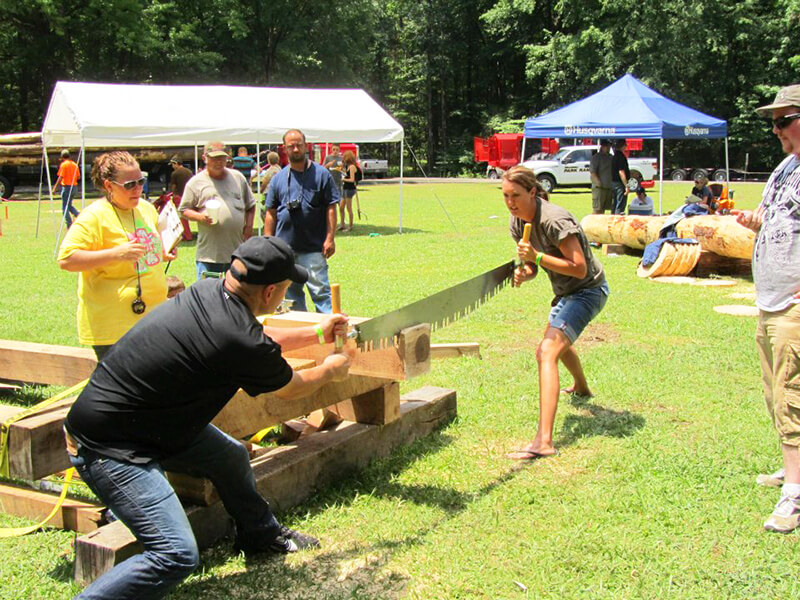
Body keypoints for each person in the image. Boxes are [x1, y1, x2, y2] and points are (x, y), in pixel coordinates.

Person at [64, 236, 352, 599]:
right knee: (176, 554)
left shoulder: (208, 291)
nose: (283, 294)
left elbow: (257, 334)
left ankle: (260, 536)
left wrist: (315, 332)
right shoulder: (236, 337)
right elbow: (291, 386)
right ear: (268, 293)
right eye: (283, 288)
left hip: (150, 425)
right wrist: (330, 370)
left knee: (230, 455)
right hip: (108, 446)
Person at [502, 165, 609, 459]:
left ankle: (544, 442)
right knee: (557, 345)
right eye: (506, 196)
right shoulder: (517, 222)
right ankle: (582, 388)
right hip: (566, 293)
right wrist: (526, 271)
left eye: (516, 195)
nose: (510, 202)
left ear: (534, 192)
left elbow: (579, 267)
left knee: (546, 352)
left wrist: (535, 256)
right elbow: (535, 265)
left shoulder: (554, 219)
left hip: (588, 290)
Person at [733, 84, 800, 533]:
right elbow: (772, 216)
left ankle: (794, 495)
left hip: (794, 303)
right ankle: (793, 470)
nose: (775, 129)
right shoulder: (785, 167)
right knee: (775, 393)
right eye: (773, 121)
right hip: (769, 299)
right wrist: (754, 221)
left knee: (793, 397)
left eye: (785, 120)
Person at [57, 151, 176, 360]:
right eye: (130, 184)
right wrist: (115, 254)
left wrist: (162, 253)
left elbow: (147, 248)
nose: (138, 189)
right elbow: (67, 260)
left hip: (153, 319)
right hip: (114, 327)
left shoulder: (146, 209)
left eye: (141, 181)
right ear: (109, 185)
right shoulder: (94, 216)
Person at [264, 129, 339, 313]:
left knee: (321, 293)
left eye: (299, 145)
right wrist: (268, 243)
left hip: (313, 248)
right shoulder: (278, 179)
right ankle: (302, 335)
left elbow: (331, 207)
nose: (296, 149)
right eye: (291, 146)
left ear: (306, 146)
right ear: (284, 149)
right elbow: (271, 212)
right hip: (285, 249)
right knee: (290, 297)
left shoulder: (321, 175)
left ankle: (329, 333)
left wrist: (330, 238)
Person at [179, 141, 256, 281]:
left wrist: (249, 226)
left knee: (236, 298)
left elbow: (251, 205)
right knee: (208, 299)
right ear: (204, 158)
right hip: (209, 257)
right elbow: (183, 210)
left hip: (237, 254)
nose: (219, 162)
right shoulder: (195, 182)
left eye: (222, 158)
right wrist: (200, 217)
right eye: (214, 158)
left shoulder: (238, 178)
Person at [52, 149, 81, 228]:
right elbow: (78, 176)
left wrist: (55, 188)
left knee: (65, 207)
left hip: (67, 187)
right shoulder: (75, 164)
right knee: (69, 205)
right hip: (74, 187)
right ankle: (79, 216)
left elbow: (60, 177)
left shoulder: (63, 165)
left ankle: (69, 224)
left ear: (62, 157)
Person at [589, 139, 613, 214]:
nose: (608, 148)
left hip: (608, 187)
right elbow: (593, 172)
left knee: (604, 209)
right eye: (607, 146)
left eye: (609, 146)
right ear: (602, 146)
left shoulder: (611, 157)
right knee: (597, 209)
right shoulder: (596, 157)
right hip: (599, 188)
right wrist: (598, 183)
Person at [339, 150, 358, 231]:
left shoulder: (352, 167)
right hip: (345, 188)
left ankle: (350, 226)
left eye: (344, 156)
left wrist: (344, 180)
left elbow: (352, 179)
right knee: (341, 207)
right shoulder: (348, 166)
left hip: (349, 189)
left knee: (348, 208)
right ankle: (342, 224)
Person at [611, 139, 630, 214]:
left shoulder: (614, 156)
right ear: (623, 146)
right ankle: (617, 220)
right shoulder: (621, 157)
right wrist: (626, 185)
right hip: (620, 184)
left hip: (613, 183)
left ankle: (612, 220)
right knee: (620, 205)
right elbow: (621, 172)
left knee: (614, 204)